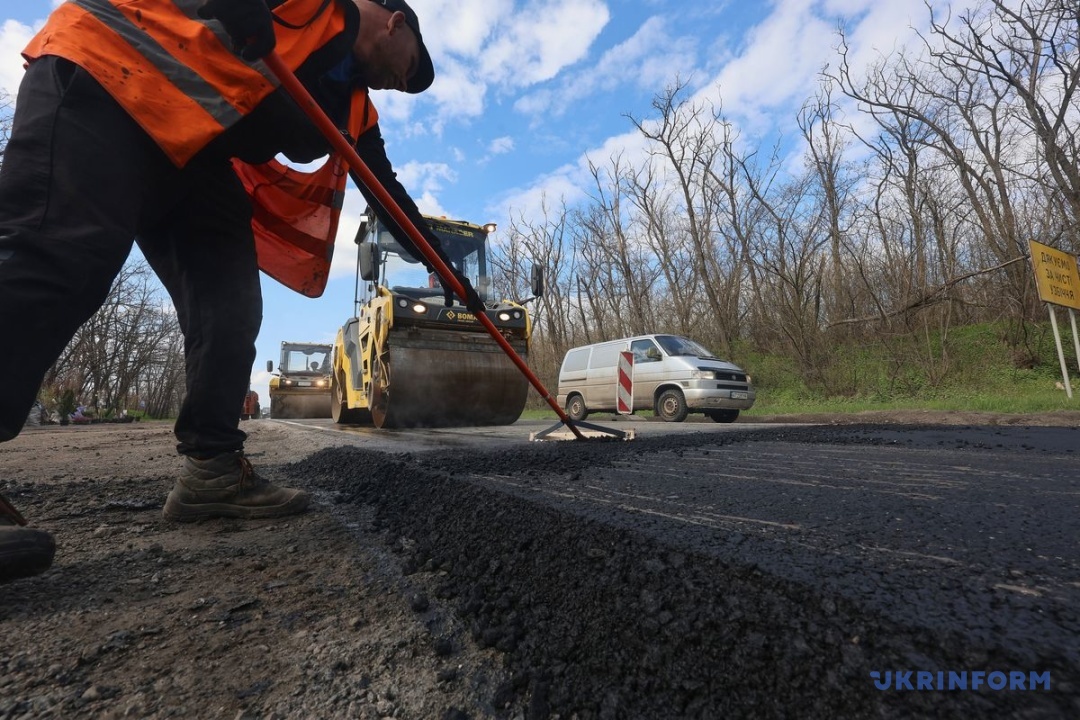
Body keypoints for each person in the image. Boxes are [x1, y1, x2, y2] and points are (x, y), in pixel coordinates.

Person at [0, 0, 479, 583]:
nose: (406, 84)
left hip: (194, 152)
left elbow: (386, 192)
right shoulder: (316, 6)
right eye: (412, 68)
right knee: (58, 260)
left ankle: (212, 470)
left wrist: (451, 275)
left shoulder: (356, 108)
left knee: (230, 305)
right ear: (395, 21)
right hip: (112, 77)